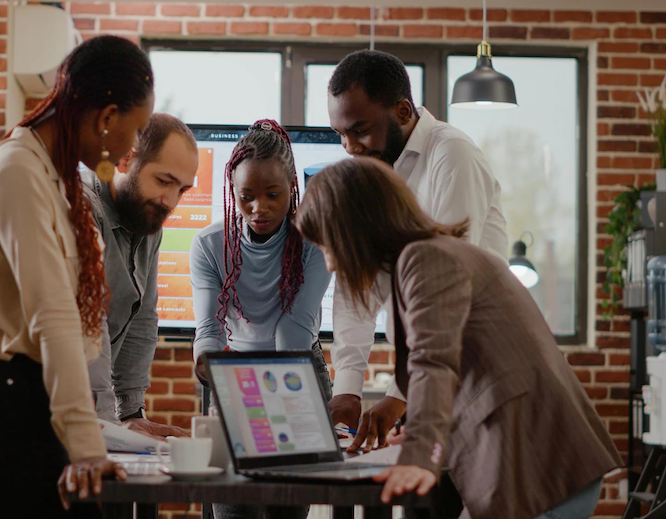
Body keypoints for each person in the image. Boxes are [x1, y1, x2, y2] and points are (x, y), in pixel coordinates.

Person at [296, 158, 621, 519]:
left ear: (355, 230)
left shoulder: (424, 259)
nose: (329, 264)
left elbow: (433, 363)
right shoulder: (435, 252)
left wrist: (421, 451)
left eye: (328, 246)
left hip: (540, 465)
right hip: (543, 462)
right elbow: (472, 367)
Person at [0, 35, 154, 518]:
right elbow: (54, 318)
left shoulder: (53, 173)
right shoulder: (19, 171)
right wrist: (87, 449)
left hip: (22, 401)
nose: (134, 145)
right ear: (107, 117)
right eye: (136, 130)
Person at [325, 49, 508, 450]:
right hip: (426, 375)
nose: (349, 147)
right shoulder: (371, 171)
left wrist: (397, 397)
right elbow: (356, 287)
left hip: (480, 374)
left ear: (404, 111)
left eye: (359, 130)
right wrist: (348, 388)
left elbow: (446, 290)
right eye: (340, 133)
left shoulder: (452, 155)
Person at [191, 120, 332, 519]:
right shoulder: (208, 245)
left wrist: (276, 405)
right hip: (234, 372)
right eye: (246, 196)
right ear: (232, 193)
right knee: (232, 507)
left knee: (284, 507)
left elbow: (294, 327)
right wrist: (209, 361)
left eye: (273, 194)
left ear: (292, 186)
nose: (259, 208)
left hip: (300, 368)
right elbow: (209, 327)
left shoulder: (314, 242)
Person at [85, 112, 199, 437]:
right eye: (164, 181)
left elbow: (142, 318)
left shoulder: (147, 220)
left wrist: (131, 413)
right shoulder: (81, 208)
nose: (171, 202)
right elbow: (87, 325)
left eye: (183, 189)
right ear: (124, 160)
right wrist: (105, 426)